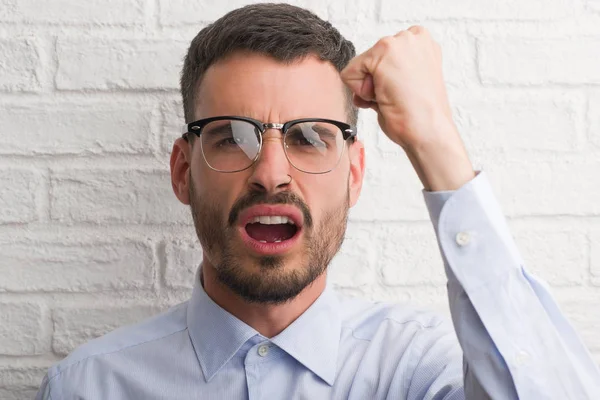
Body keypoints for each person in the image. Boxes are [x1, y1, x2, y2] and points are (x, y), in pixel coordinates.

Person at [36, 3, 600, 399]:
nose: (272, 175)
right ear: (183, 172)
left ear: (355, 175)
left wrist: (435, 139)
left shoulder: (425, 372)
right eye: (232, 136)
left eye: (310, 136)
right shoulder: (89, 388)